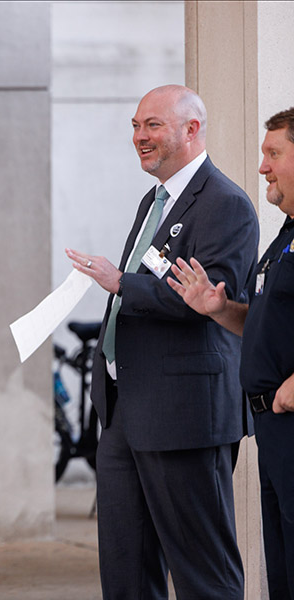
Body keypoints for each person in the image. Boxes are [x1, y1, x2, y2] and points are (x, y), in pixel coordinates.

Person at [65, 85, 258, 599]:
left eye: (152, 125)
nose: (139, 137)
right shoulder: (155, 201)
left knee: (203, 574)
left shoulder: (226, 204)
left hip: (184, 416)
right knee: (126, 575)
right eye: (134, 125)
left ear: (191, 130)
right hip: (125, 410)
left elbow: (213, 300)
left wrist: (123, 282)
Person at [168, 107, 294, 600]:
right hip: (273, 429)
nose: (262, 166)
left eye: (274, 153)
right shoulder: (286, 234)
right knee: (280, 567)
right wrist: (220, 310)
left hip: (288, 417)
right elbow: (270, 325)